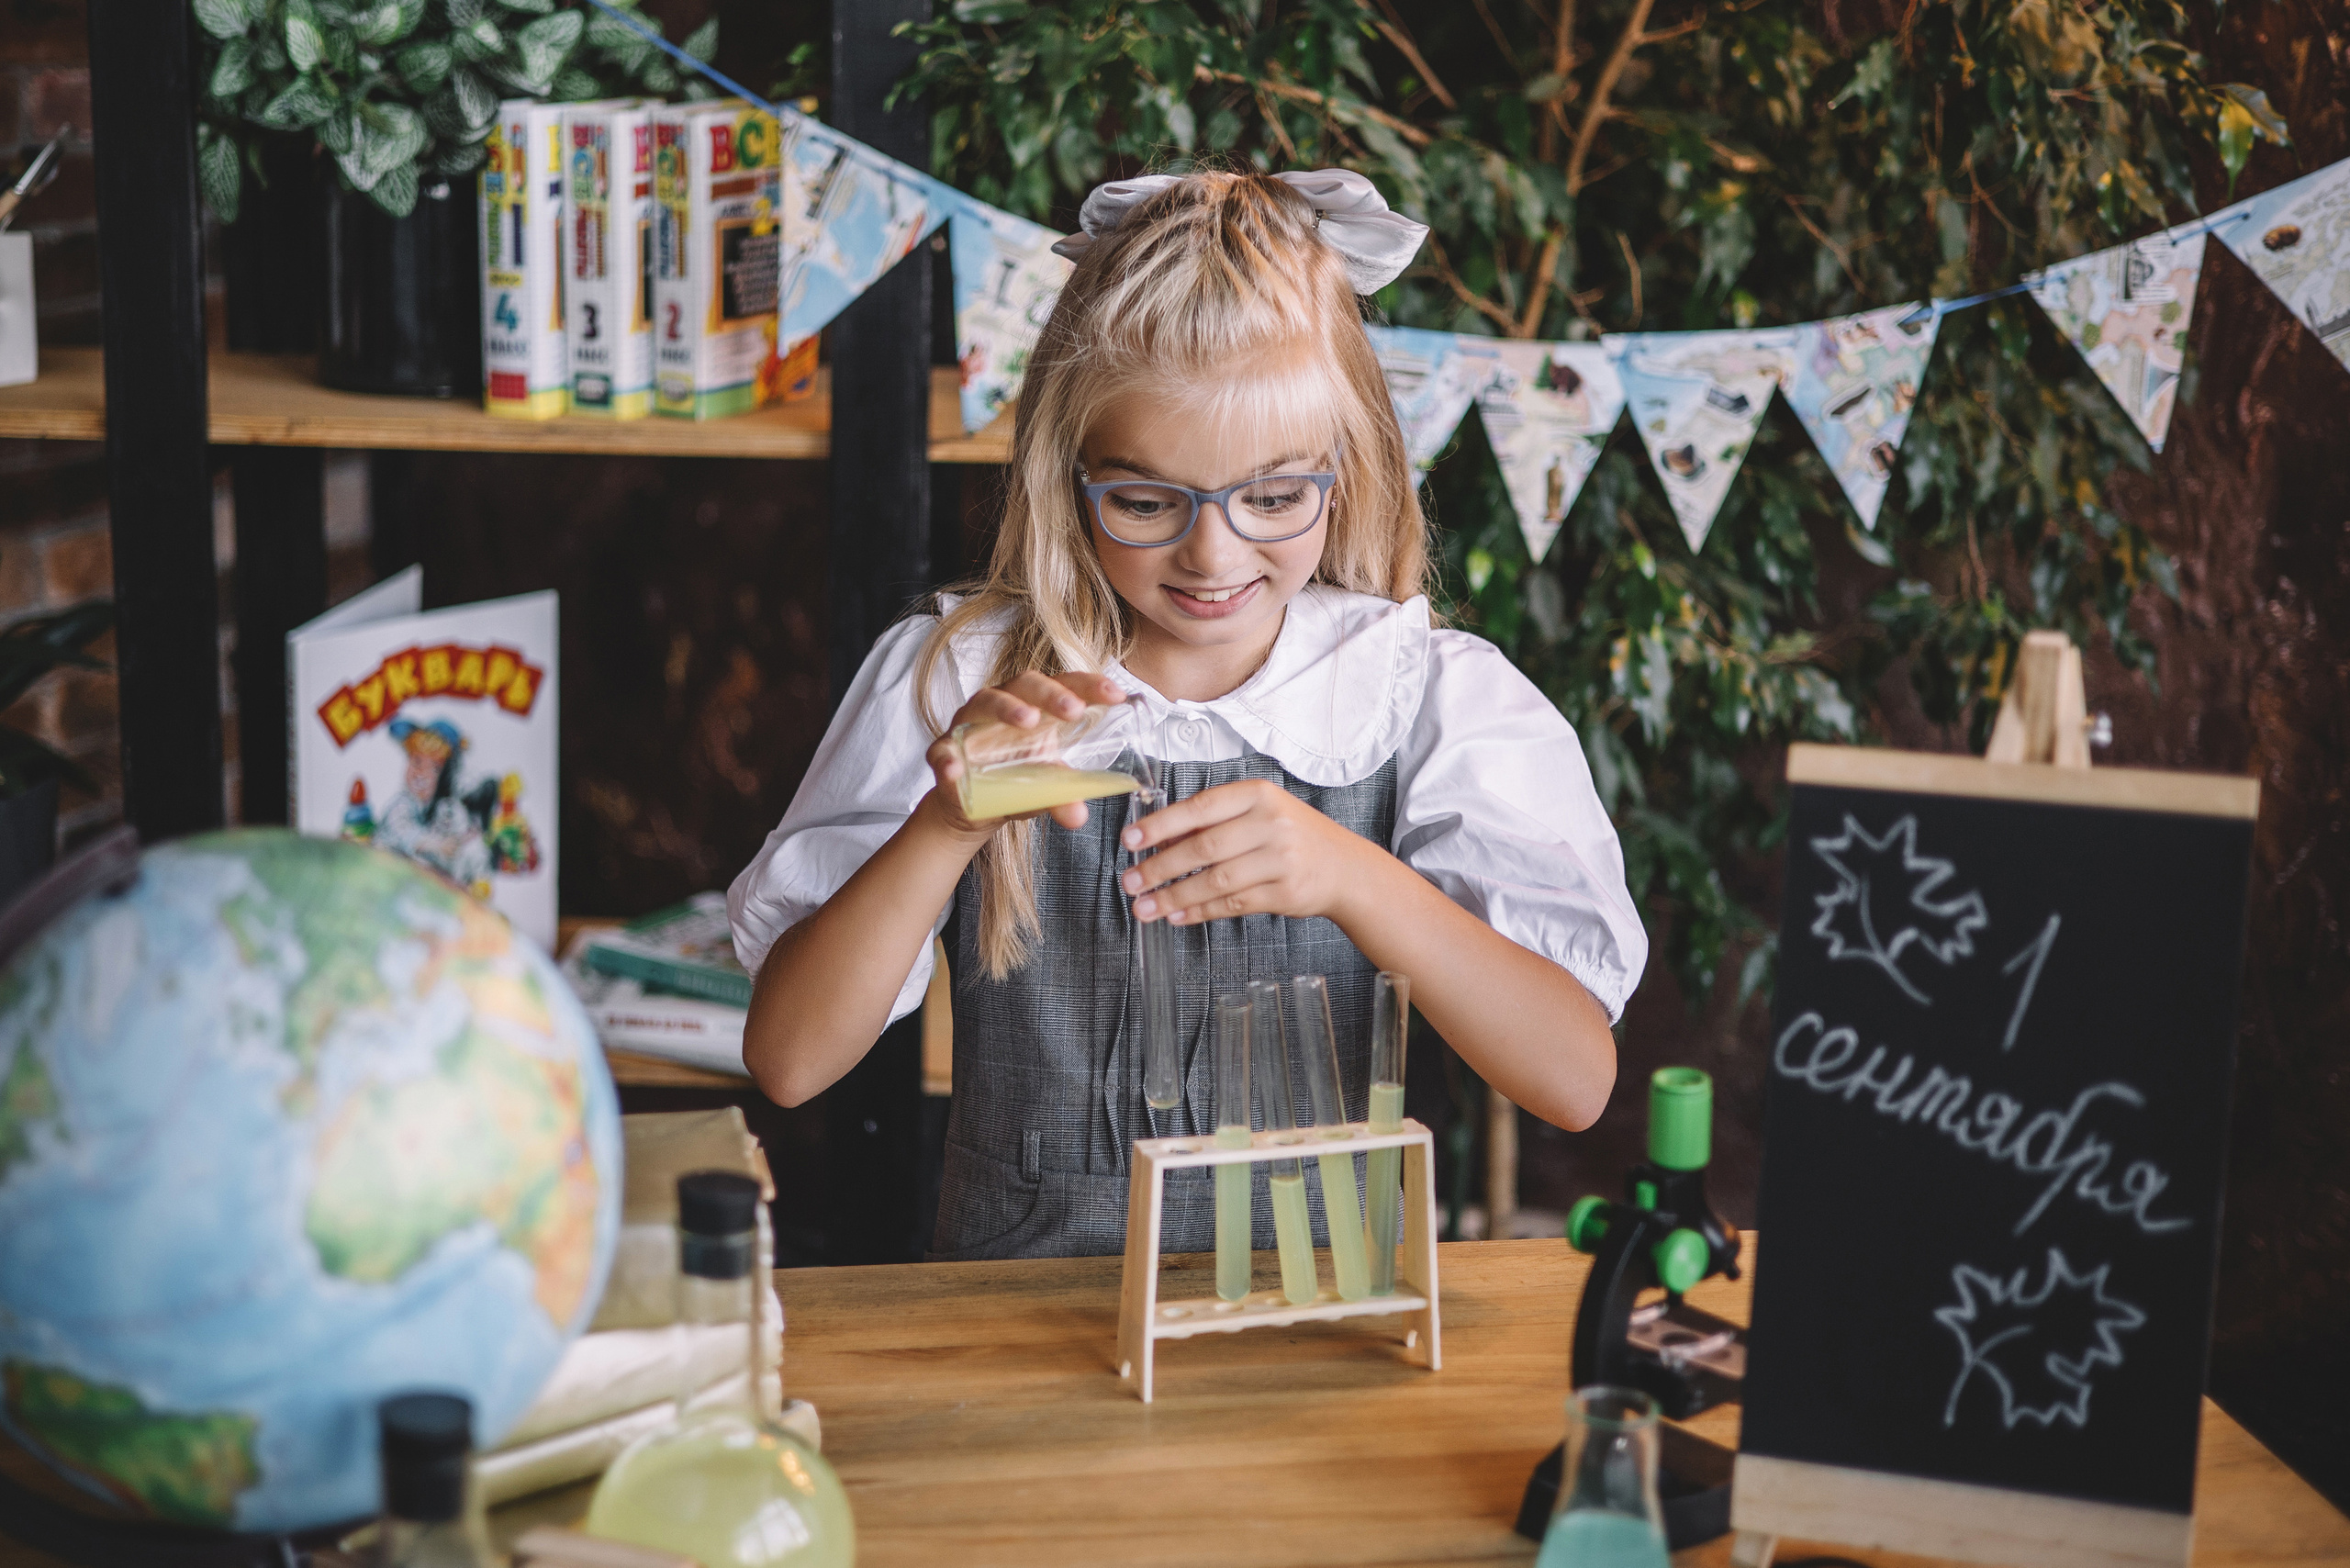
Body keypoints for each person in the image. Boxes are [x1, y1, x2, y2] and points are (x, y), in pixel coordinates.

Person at [730, 170, 1648, 1260]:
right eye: (1147, 501)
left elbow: (1574, 1080)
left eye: (1271, 497)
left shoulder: (1424, 695)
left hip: (1319, 1327)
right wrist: (946, 825)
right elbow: (788, 1060)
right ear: (1066, 478)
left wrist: (1354, 877)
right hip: (1018, 1326)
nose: (1212, 555)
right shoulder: (959, 677)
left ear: (1346, 473)